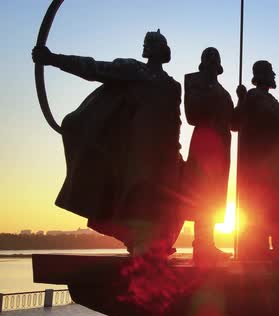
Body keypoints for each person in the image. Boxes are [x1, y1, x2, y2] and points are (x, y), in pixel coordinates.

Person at [31, 30, 184, 257]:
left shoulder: (172, 85)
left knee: (179, 197)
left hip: (167, 153)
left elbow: (175, 120)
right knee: (135, 200)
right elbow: (93, 68)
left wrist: (175, 149)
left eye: (155, 43)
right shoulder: (132, 70)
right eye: (148, 43)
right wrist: (53, 59)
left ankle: (159, 242)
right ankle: (137, 241)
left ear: (163, 50)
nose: (151, 47)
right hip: (137, 152)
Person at [232, 60, 279, 263]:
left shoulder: (268, 98)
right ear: (262, 75)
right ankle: (277, 248)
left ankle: (273, 247)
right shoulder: (256, 97)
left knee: (275, 203)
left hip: (271, 163)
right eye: (271, 73)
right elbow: (274, 118)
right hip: (264, 165)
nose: (274, 76)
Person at [183, 47, 233, 262]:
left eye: (216, 58)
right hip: (204, 145)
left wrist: (240, 101)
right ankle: (201, 245)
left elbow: (234, 123)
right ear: (203, 62)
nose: (213, 61)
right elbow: (191, 114)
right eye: (209, 58)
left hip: (221, 148)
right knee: (202, 194)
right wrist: (211, 93)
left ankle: (208, 243)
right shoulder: (195, 82)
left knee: (214, 196)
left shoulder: (223, 91)